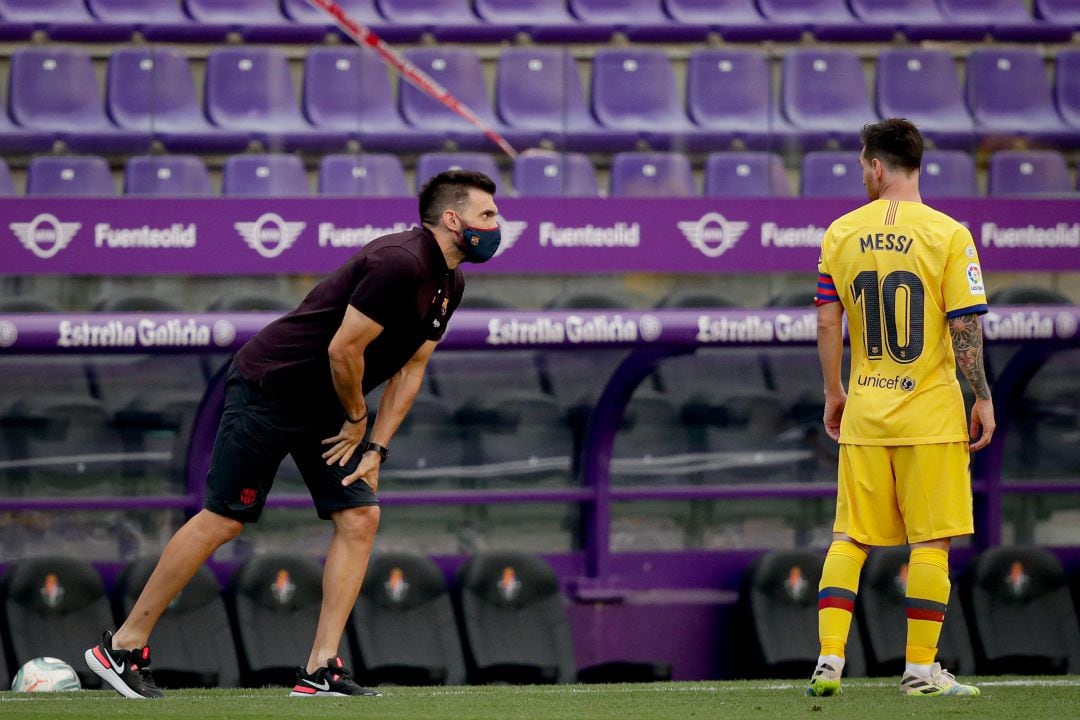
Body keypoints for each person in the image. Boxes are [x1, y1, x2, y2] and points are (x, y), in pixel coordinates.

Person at [85, 169, 502, 699]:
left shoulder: (451, 282)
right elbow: (342, 351)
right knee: (224, 520)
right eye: (487, 214)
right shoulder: (400, 262)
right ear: (452, 219)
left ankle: (321, 667)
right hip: (271, 389)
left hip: (330, 404)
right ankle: (122, 646)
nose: (496, 224)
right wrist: (356, 419)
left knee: (360, 516)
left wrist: (376, 447)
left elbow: (412, 368)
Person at [806, 119, 994, 698]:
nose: (864, 173)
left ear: (877, 167)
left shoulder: (839, 233)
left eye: (864, 164)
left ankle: (830, 659)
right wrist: (981, 395)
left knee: (849, 538)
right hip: (931, 414)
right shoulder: (950, 234)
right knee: (931, 542)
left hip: (866, 409)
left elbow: (826, 320)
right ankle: (918, 670)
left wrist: (836, 392)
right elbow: (964, 325)